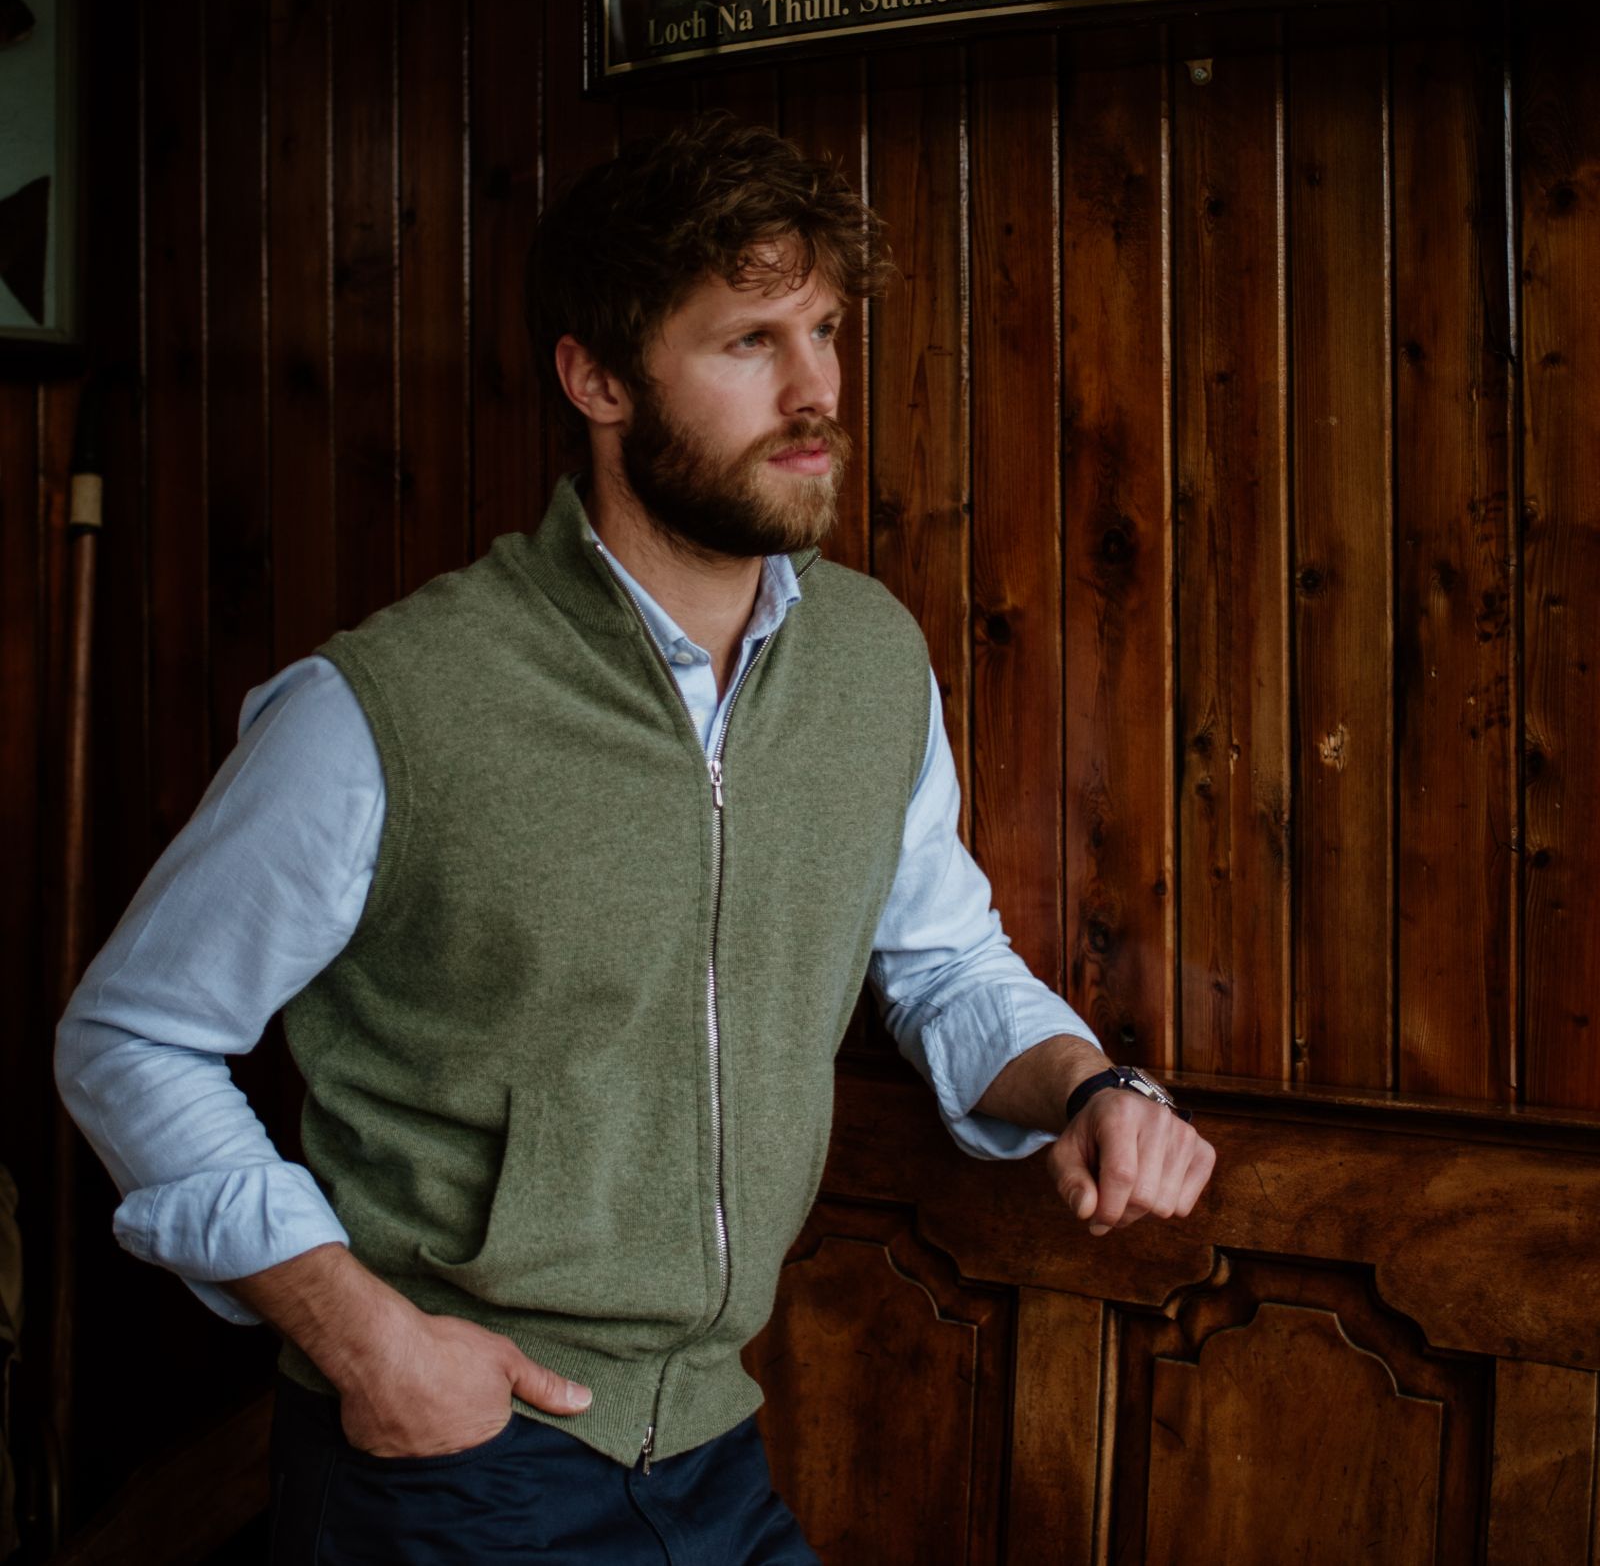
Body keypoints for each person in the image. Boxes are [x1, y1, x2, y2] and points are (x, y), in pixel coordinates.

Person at [56, 116, 1215, 1565]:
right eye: (748, 342)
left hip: (721, 1447)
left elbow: (941, 959)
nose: (817, 391)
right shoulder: (388, 706)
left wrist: (1089, 1083)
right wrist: (364, 1340)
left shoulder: (869, 661)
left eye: (825, 328)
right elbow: (131, 1035)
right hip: (455, 1466)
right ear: (596, 377)